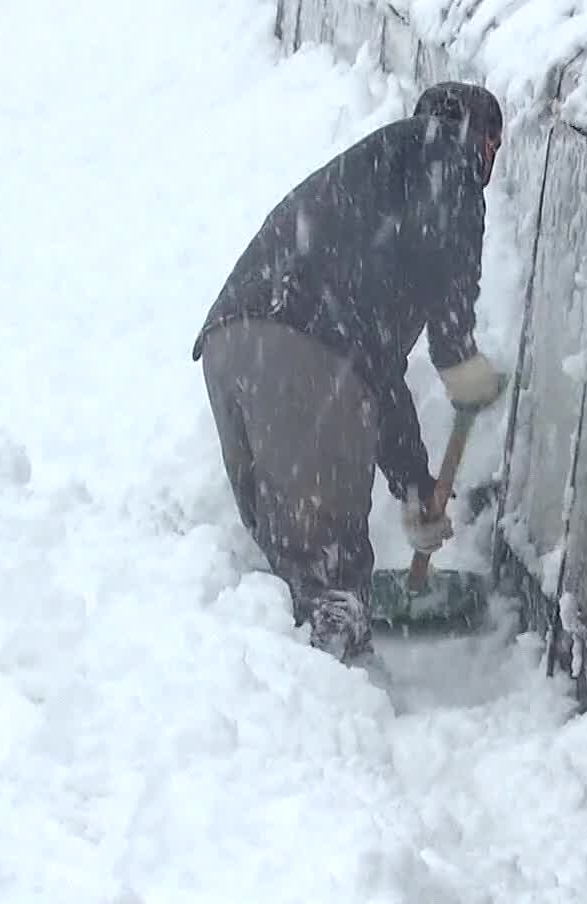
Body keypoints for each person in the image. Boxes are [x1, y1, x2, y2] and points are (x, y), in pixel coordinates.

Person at [191, 82, 509, 664]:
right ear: (486, 140)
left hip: (233, 345)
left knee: (293, 567)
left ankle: (300, 697)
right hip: (303, 351)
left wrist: (414, 486)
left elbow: (377, 372)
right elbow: (450, 260)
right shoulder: (449, 159)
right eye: (493, 149)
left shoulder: (374, 183)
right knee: (329, 578)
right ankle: (329, 726)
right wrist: (458, 353)